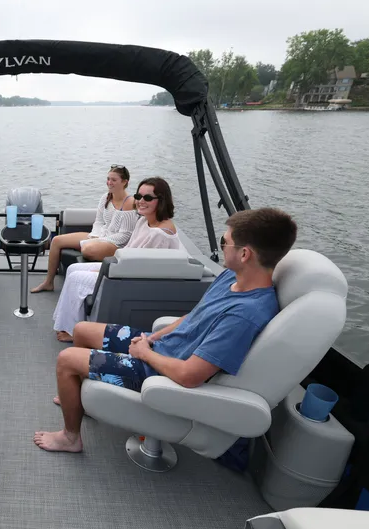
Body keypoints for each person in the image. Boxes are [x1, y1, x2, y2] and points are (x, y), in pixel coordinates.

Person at [34, 207, 298, 453]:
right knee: (81, 330)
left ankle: (70, 438)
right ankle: (80, 402)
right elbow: (192, 317)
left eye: (224, 241)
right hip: (159, 348)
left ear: (245, 254)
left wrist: (144, 353)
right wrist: (151, 337)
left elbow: (190, 375)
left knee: (66, 360)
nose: (221, 246)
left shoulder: (245, 314)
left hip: (161, 371)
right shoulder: (233, 277)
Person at [52, 177, 179, 342]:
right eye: (138, 196)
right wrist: (103, 267)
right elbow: (129, 252)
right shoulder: (144, 221)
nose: (141, 201)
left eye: (148, 198)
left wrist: (105, 270)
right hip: (124, 269)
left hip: (130, 280)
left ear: (161, 201)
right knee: (72, 269)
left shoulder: (161, 234)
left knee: (77, 278)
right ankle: (74, 324)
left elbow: (143, 268)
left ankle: (74, 331)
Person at [31, 165, 138, 293]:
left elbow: (125, 236)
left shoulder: (130, 203)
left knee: (87, 249)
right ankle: (48, 282)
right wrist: (95, 237)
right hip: (100, 236)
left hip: (116, 244)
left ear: (125, 182)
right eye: (108, 179)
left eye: (114, 180)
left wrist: (100, 241)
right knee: (57, 241)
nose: (109, 183)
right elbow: (99, 221)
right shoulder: (106, 197)